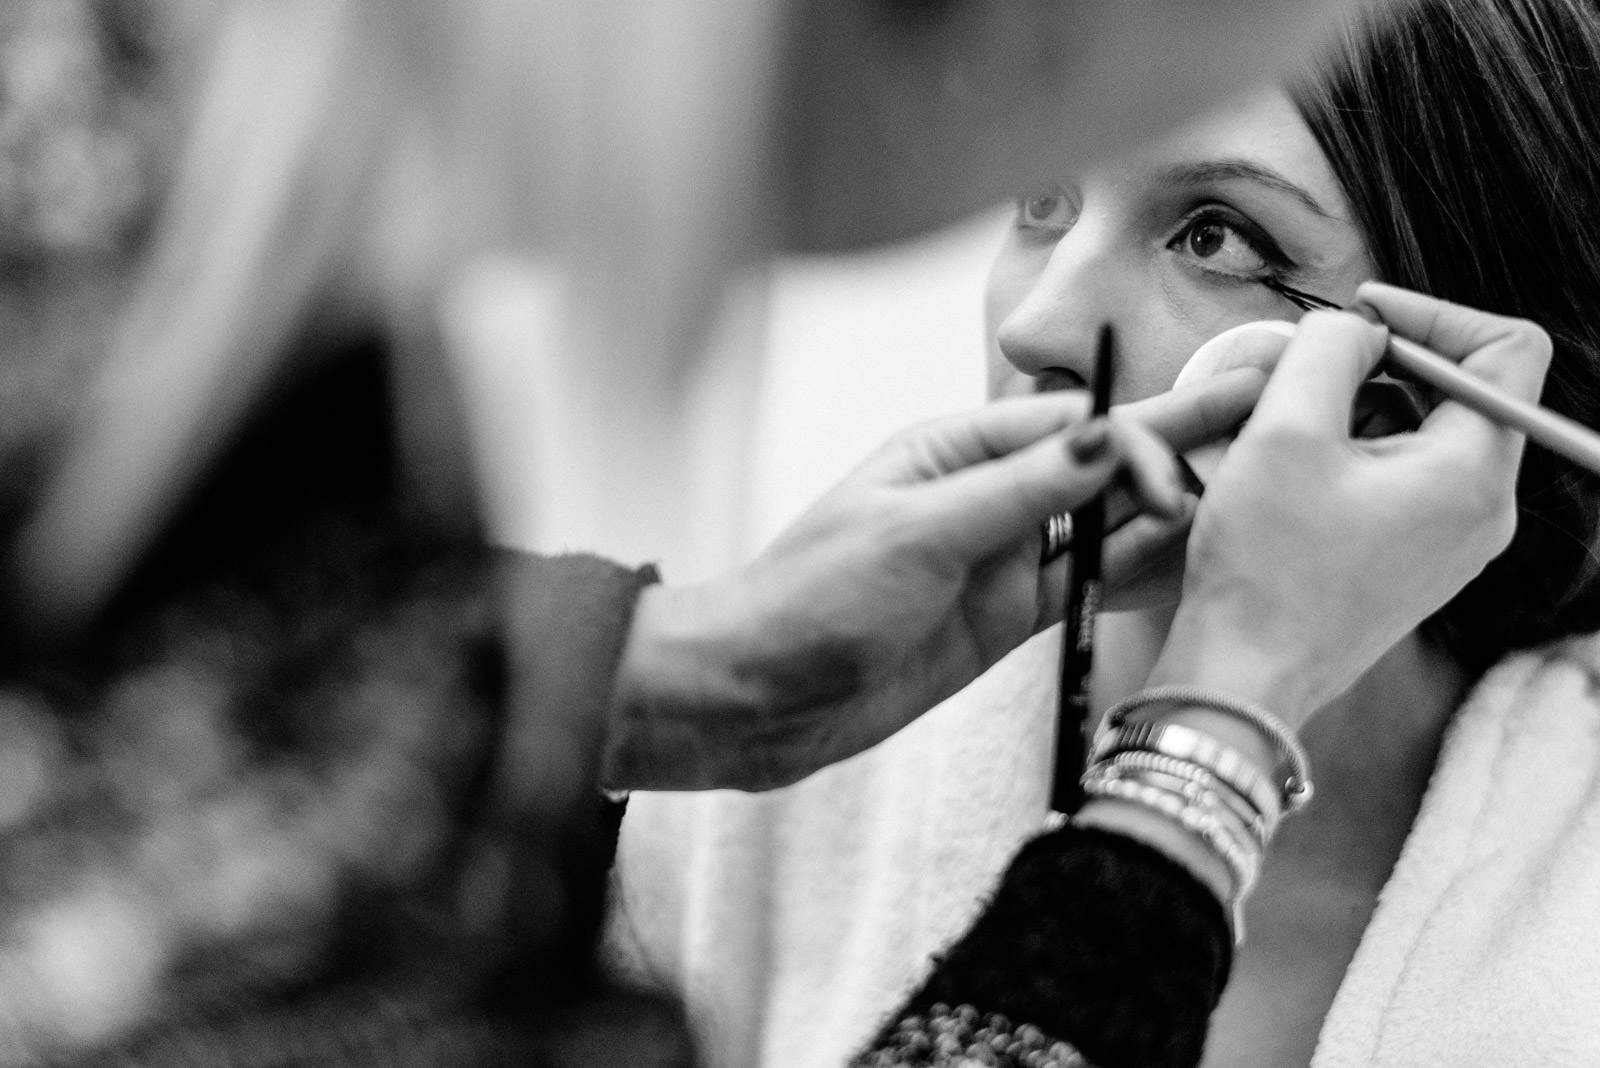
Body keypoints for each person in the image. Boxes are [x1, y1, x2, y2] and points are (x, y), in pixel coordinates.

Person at [613, 1, 1600, 1065]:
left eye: (1212, 235)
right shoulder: (743, 822)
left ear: (1426, 391)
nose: (1032, 325)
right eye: (1042, 197)